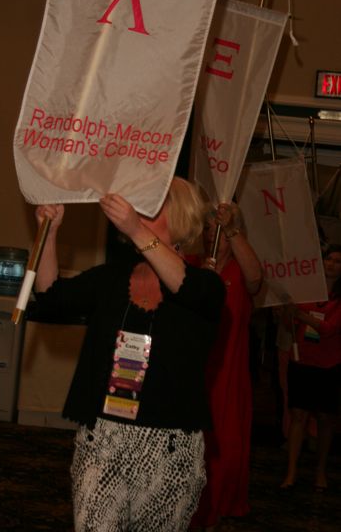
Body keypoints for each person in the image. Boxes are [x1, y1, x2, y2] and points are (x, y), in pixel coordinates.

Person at [33, 177, 225, 532]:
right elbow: (50, 299)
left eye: (152, 205)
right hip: (103, 438)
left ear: (180, 217)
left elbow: (183, 286)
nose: (138, 211)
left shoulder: (205, 285)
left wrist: (137, 229)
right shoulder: (112, 277)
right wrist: (49, 232)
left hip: (170, 447)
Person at [189, 202, 263, 531]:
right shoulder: (192, 264)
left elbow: (256, 279)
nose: (211, 235)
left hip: (228, 368)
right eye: (207, 229)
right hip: (194, 368)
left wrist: (232, 229)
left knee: (226, 443)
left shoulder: (241, 268)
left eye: (216, 228)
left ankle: (218, 506)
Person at [280, 243, 341, 492]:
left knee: (326, 418)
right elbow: (288, 325)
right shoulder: (305, 290)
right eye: (329, 259)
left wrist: (300, 315)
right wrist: (286, 312)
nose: (332, 264)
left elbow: (328, 329)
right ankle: (291, 472)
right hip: (302, 360)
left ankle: (320, 471)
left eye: (338, 261)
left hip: (330, 365)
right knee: (298, 416)